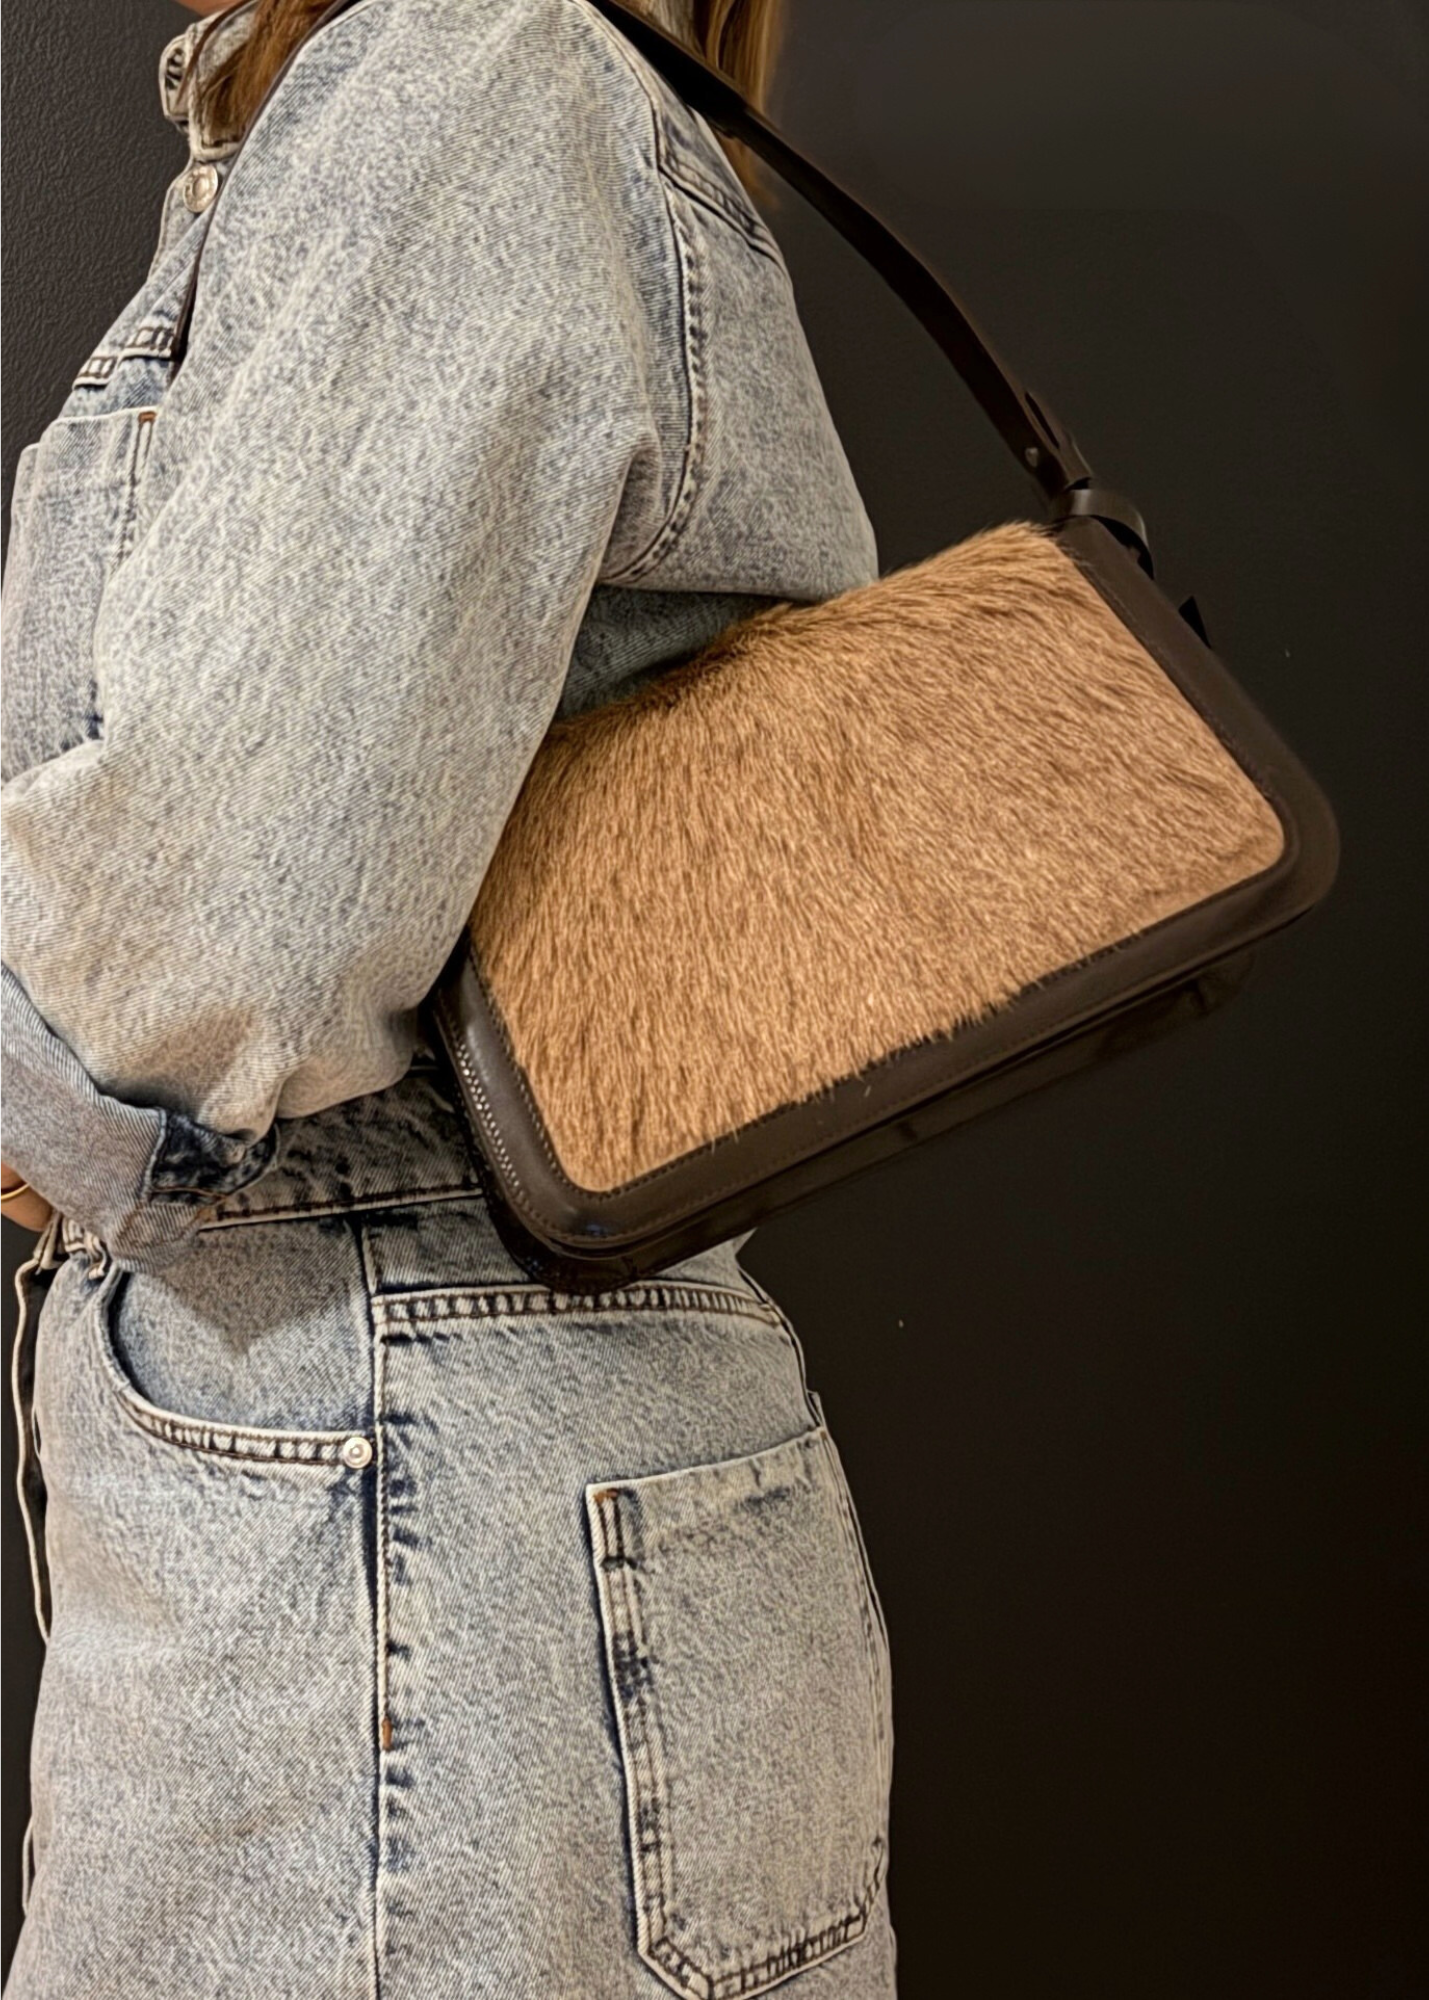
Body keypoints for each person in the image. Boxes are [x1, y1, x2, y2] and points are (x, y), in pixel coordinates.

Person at [0, 0, 896, 1992]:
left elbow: (215, 930)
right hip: (466, 1510)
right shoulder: (469, 95)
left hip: (398, 1515)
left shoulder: (470, 72)